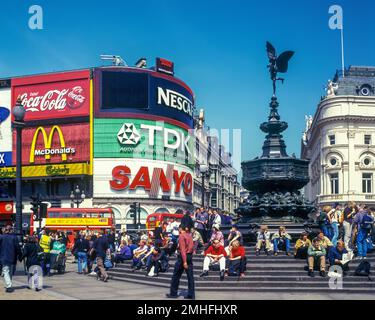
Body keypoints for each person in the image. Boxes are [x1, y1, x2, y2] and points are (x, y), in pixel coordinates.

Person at [166, 225, 195, 300]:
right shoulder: (189, 236)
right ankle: (191, 294)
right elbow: (192, 247)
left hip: (183, 257)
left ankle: (173, 293)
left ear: (180, 229)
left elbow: (182, 249)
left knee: (176, 275)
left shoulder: (181, 236)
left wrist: (184, 261)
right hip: (189, 256)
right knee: (190, 277)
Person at [0, 225, 22, 293]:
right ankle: (8, 285)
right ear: (11, 230)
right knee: (9, 271)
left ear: (5, 230)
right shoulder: (14, 237)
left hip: (3, 257)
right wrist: (20, 255)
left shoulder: (1, 237)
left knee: (6, 271)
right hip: (12, 257)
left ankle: (9, 286)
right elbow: (18, 248)